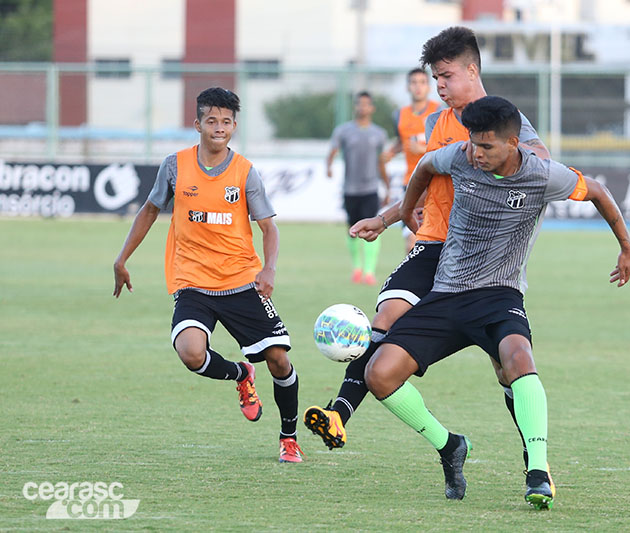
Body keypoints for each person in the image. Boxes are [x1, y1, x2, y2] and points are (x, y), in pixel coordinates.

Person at [366, 95, 630, 507]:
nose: (476, 152)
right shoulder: (458, 157)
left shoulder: (543, 175)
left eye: (486, 146)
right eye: (473, 142)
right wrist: (404, 211)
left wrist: (626, 247)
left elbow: (597, 191)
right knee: (379, 374)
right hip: (447, 293)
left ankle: (538, 472)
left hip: (498, 295)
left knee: (519, 360)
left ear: (514, 143)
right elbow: (423, 166)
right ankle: (450, 445)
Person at [304, 26, 550, 465]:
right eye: (434, 78)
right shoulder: (437, 122)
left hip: (481, 259)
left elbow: (540, 162)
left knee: (506, 370)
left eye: (446, 76)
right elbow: (424, 177)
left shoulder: (502, 119)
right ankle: (340, 412)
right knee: (385, 317)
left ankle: (534, 457)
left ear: (472, 70)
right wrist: (386, 218)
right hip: (433, 243)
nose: (439, 86)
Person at [112, 87, 304, 463]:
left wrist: (269, 268)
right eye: (212, 120)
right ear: (197, 123)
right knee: (190, 352)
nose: (219, 127)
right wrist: (122, 259)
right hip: (192, 281)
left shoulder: (245, 172)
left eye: (227, 121)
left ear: (235, 126)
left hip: (241, 280)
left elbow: (269, 228)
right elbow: (149, 211)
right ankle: (240, 375)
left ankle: (289, 437)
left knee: (279, 359)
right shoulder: (175, 166)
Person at [326, 91, 390, 286]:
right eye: (359, 104)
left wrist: (386, 187)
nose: (362, 107)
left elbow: (382, 162)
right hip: (350, 189)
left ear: (372, 108)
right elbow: (333, 150)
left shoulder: (379, 134)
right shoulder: (344, 131)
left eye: (366, 104)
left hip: (370, 188)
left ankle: (369, 272)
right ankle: (357, 268)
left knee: (373, 228)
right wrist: (328, 166)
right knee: (352, 229)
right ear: (355, 107)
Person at [381, 68, 440, 253]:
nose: (418, 87)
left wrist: (423, 149)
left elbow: (446, 145)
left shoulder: (438, 112)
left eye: (422, 82)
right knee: (412, 243)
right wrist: (391, 152)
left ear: (429, 87)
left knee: (435, 241)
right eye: (414, 82)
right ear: (408, 87)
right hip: (412, 184)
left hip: (436, 184)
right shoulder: (399, 115)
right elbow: (402, 140)